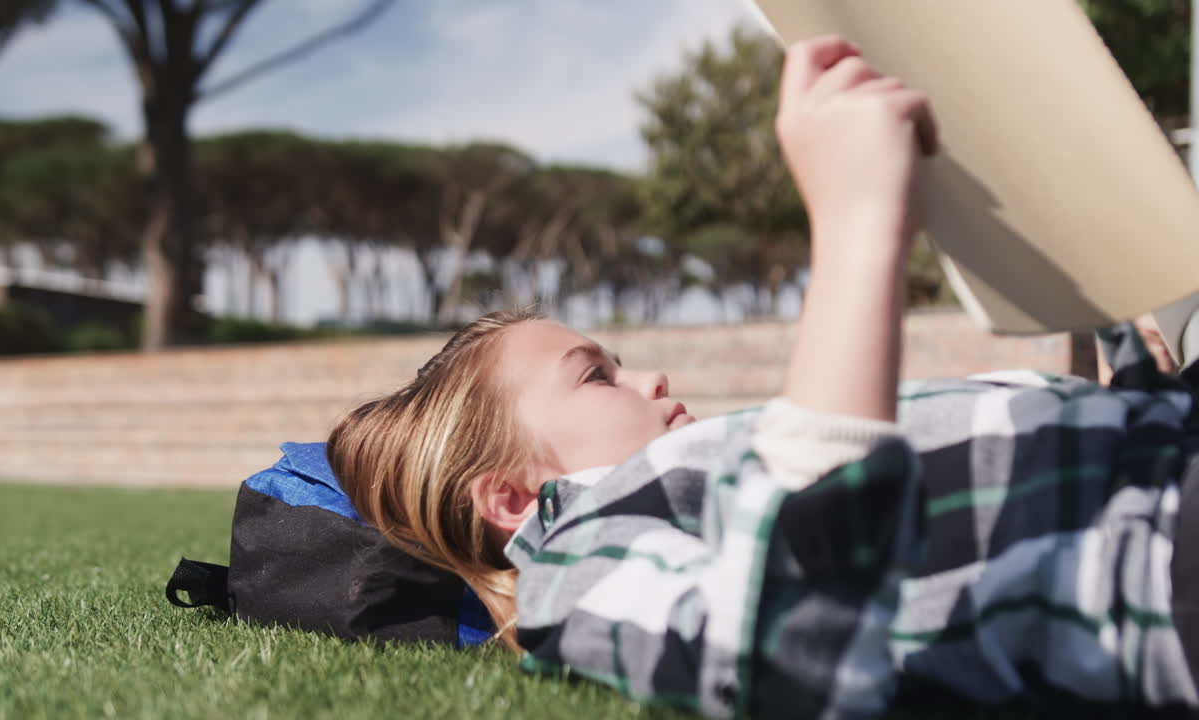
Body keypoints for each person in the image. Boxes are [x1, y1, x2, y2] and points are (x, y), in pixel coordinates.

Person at [327, 36, 1199, 717]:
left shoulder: (721, 467)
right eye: (596, 376)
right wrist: (859, 221)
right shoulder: (574, 560)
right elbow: (797, 651)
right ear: (515, 499)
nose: (649, 376)